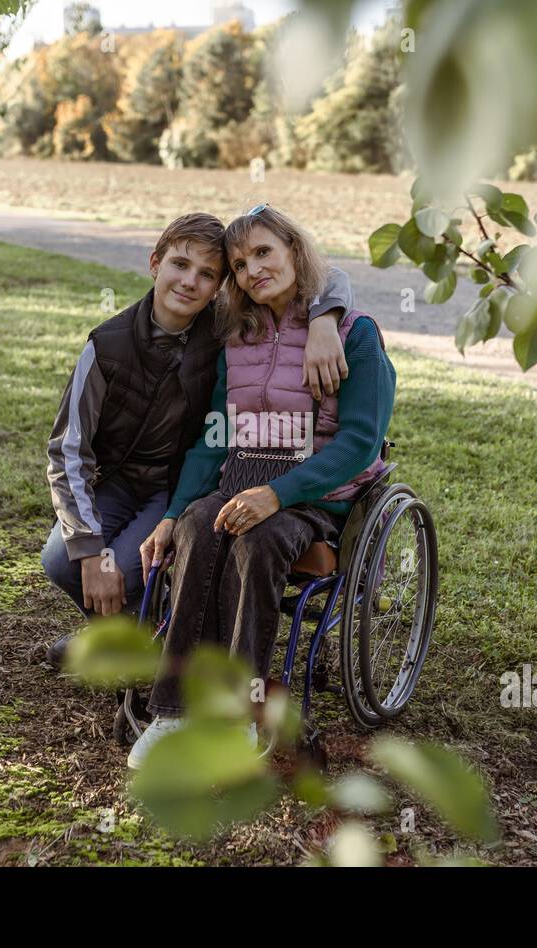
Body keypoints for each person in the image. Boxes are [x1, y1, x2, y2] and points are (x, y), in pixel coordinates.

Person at [127, 204, 396, 769]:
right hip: (242, 479)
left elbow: (359, 445)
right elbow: (215, 438)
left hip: (316, 497)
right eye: (240, 263)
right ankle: (172, 713)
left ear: (294, 251)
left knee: (258, 540)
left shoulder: (354, 332)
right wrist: (174, 515)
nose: (252, 270)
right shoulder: (237, 336)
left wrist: (276, 496)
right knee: (203, 525)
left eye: (264, 253)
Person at [41, 212, 355, 665]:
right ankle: (128, 637)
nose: (190, 282)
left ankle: (152, 640)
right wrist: (89, 552)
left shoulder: (223, 330)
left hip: (179, 485)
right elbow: (67, 450)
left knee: (129, 568)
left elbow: (326, 273)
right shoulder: (106, 346)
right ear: (155, 263)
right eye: (180, 265)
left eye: (208, 275)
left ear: (220, 288)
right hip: (122, 481)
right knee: (61, 560)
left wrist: (326, 319)